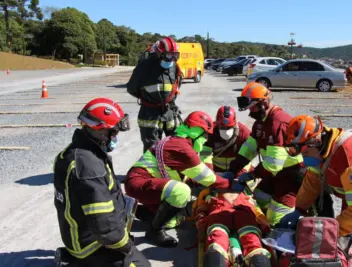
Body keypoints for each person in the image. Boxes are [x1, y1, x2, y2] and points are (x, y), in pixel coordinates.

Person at [280, 114, 352, 260]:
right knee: (342, 232)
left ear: (316, 141)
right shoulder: (324, 148)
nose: (303, 159)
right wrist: (299, 209)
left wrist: (330, 232)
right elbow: (312, 182)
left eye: (305, 153)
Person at [53, 98, 150, 267]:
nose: (115, 137)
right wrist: (126, 246)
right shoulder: (88, 167)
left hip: (81, 233)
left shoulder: (80, 152)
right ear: (99, 131)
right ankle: (80, 262)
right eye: (113, 132)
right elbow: (103, 225)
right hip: (90, 244)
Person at [124, 111, 232, 247]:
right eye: (205, 135)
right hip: (139, 183)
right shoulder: (182, 149)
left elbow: (185, 173)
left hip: (143, 182)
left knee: (172, 220)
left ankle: (142, 212)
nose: (205, 139)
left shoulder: (178, 141)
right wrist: (230, 184)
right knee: (181, 192)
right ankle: (154, 232)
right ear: (196, 132)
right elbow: (208, 178)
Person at [224, 82, 305, 226]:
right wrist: (233, 169)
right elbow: (249, 147)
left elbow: (274, 164)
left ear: (263, 103)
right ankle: (265, 223)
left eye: (252, 108)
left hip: (291, 175)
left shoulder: (278, 123)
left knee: (277, 219)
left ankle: (285, 231)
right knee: (259, 197)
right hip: (274, 173)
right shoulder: (261, 122)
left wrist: (252, 174)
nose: (250, 113)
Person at [127, 36, 183, 153]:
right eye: (168, 55)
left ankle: (169, 170)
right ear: (159, 54)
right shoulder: (144, 67)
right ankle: (152, 171)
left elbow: (177, 83)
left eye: (175, 55)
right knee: (152, 148)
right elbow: (132, 88)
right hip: (150, 113)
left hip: (169, 112)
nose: (172, 59)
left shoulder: (174, 67)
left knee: (174, 145)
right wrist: (148, 99)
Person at [194, 186, 272, 267]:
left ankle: (216, 256)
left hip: (220, 213)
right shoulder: (246, 189)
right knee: (253, 242)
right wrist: (265, 226)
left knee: (217, 242)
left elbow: (201, 209)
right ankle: (258, 258)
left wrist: (201, 226)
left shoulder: (209, 190)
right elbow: (257, 210)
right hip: (243, 213)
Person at [201, 105, 252, 174]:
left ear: (234, 124)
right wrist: (211, 174)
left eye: (229, 127)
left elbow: (247, 157)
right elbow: (205, 156)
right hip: (216, 170)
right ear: (217, 123)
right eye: (222, 127)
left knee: (249, 182)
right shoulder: (210, 133)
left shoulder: (244, 134)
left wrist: (239, 175)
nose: (226, 131)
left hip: (238, 170)